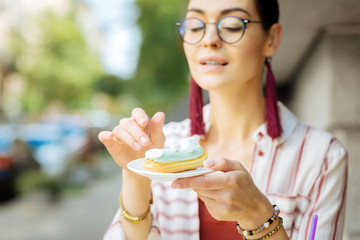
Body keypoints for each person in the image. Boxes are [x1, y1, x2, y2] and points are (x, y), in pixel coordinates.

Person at [99, 0, 348, 239]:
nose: (209, 40)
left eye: (231, 26)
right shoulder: (161, 146)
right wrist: (135, 175)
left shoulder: (322, 156)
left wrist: (259, 216)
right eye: (196, 26)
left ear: (271, 39)